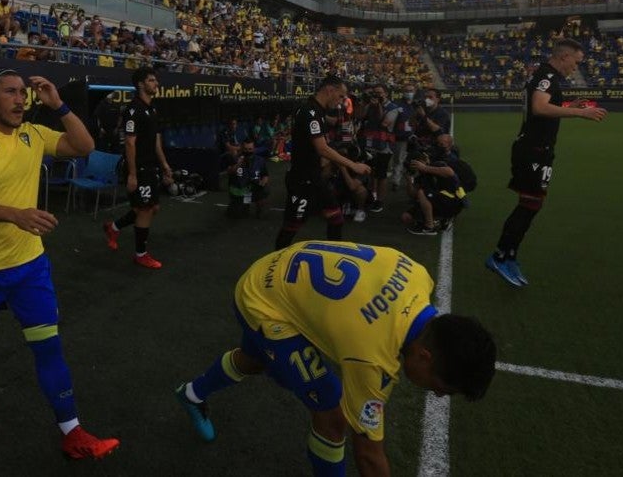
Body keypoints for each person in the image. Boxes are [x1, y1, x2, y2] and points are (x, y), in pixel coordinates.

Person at [173, 241, 496, 476]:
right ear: (425, 356)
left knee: (258, 358)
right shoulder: (372, 360)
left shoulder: (418, 274)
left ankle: (191, 393)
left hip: (277, 269)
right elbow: (369, 456)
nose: (438, 394)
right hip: (264, 300)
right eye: (442, 387)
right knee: (331, 413)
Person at [0, 68, 118, 459]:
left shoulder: (33, 134)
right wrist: (17, 215)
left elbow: (85, 145)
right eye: (10, 92)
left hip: (30, 267)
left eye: (24, 93)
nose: (21, 99)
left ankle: (72, 432)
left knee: (49, 348)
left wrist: (58, 105)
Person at [486, 38, 607, 287]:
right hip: (532, 151)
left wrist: (567, 106)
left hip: (539, 151)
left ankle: (509, 256)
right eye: (576, 61)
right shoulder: (547, 75)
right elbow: (539, 108)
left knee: (532, 205)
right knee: (529, 205)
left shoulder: (547, 76)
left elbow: (543, 107)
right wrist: (580, 112)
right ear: (564, 57)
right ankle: (499, 256)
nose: (576, 66)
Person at [273, 76, 372, 251]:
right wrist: (353, 165)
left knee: (336, 218)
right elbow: (322, 149)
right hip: (302, 180)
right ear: (330, 90)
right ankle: (275, 262)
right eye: (341, 96)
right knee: (292, 226)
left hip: (315, 178)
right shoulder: (309, 112)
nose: (342, 102)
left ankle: (334, 256)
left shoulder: (317, 111)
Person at [103, 67, 174, 269]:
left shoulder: (152, 108)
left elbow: (156, 140)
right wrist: (132, 174)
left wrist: (164, 164)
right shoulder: (133, 109)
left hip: (151, 166)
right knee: (145, 208)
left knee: (151, 208)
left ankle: (114, 227)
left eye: (156, 80)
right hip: (139, 167)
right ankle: (140, 254)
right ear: (141, 84)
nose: (156, 84)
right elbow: (130, 143)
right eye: (152, 80)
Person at [360, 86, 400, 214]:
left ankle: (380, 201)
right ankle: (372, 196)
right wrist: (365, 103)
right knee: (370, 173)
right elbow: (360, 116)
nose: (376, 95)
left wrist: (378, 106)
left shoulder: (393, 108)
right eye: (374, 93)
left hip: (385, 146)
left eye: (379, 93)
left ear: (386, 94)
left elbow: (384, 123)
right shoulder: (370, 105)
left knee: (381, 174)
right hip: (369, 144)